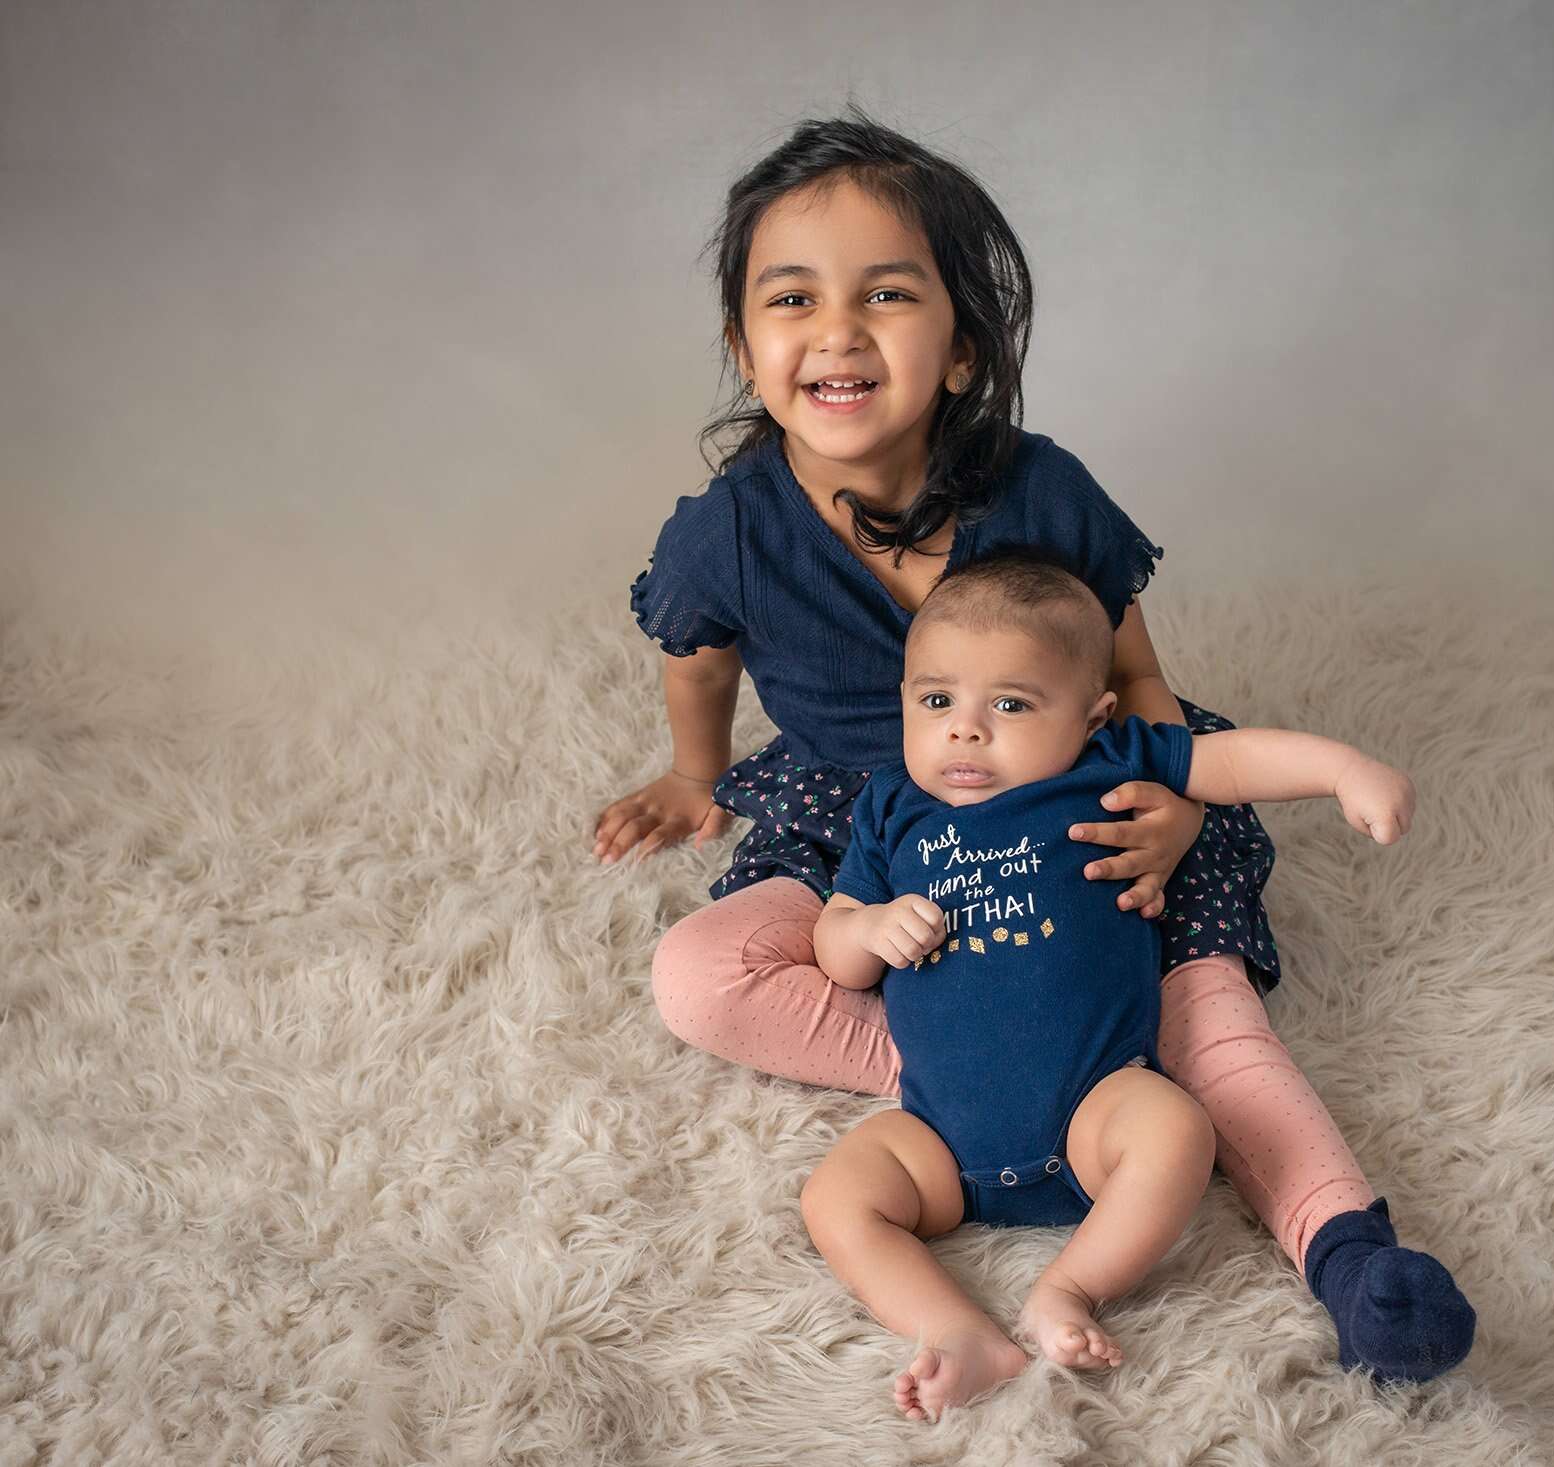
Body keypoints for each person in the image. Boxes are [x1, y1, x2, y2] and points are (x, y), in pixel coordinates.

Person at [594, 105, 1475, 1401]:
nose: (835, 331)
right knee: (698, 971)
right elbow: (700, 658)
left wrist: (1165, 808)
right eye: (793, 299)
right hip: (865, 810)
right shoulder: (725, 532)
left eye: (886, 294)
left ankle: (1349, 1252)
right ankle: (987, 1059)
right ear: (744, 342)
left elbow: (1131, 674)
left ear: (960, 347)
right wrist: (692, 772)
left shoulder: (1038, 488)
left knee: (1219, 1040)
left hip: (1084, 801)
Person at [805, 551, 1436, 1422]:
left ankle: (1069, 1287)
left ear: (1091, 715)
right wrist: (869, 928)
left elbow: (1236, 761)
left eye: (1012, 704)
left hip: (1094, 1115)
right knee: (835, 1195)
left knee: (1179, 1127)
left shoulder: (1108, 764)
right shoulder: (891, 808)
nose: (965, 730)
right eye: (937, 699)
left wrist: (1343, 770)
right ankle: (956, 1331)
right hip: (938, 1141)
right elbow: (834, 944)